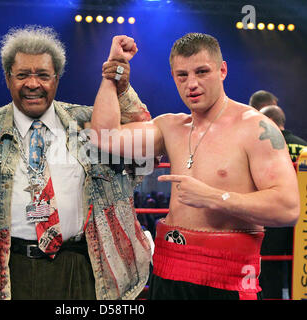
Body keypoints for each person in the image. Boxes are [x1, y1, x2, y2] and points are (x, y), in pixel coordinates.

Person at [0, 26, 152, 300]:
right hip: (6, 274)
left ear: (57, 78)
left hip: (83, 267)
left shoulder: (90, 123)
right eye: (22, 75)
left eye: (43, 75)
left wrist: (121, 86)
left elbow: (146, 150)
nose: (33, 84)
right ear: (8, 78)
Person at [91, 32, 300, 300]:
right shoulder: (171, 127)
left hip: (226, 280)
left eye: (202, 72)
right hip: (168, 273)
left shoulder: (255, 127)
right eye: (182, 75)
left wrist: (214, 197)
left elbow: (287, 207)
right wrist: (113, 73)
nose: (192, 84)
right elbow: (104, 137)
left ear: (222, 70)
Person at [258, 104, 306, 299]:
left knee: (270, 267)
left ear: (266, 123)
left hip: (275, 215)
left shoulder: (264, 147)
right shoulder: (303, 146)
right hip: (303, 219)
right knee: (301, 264)